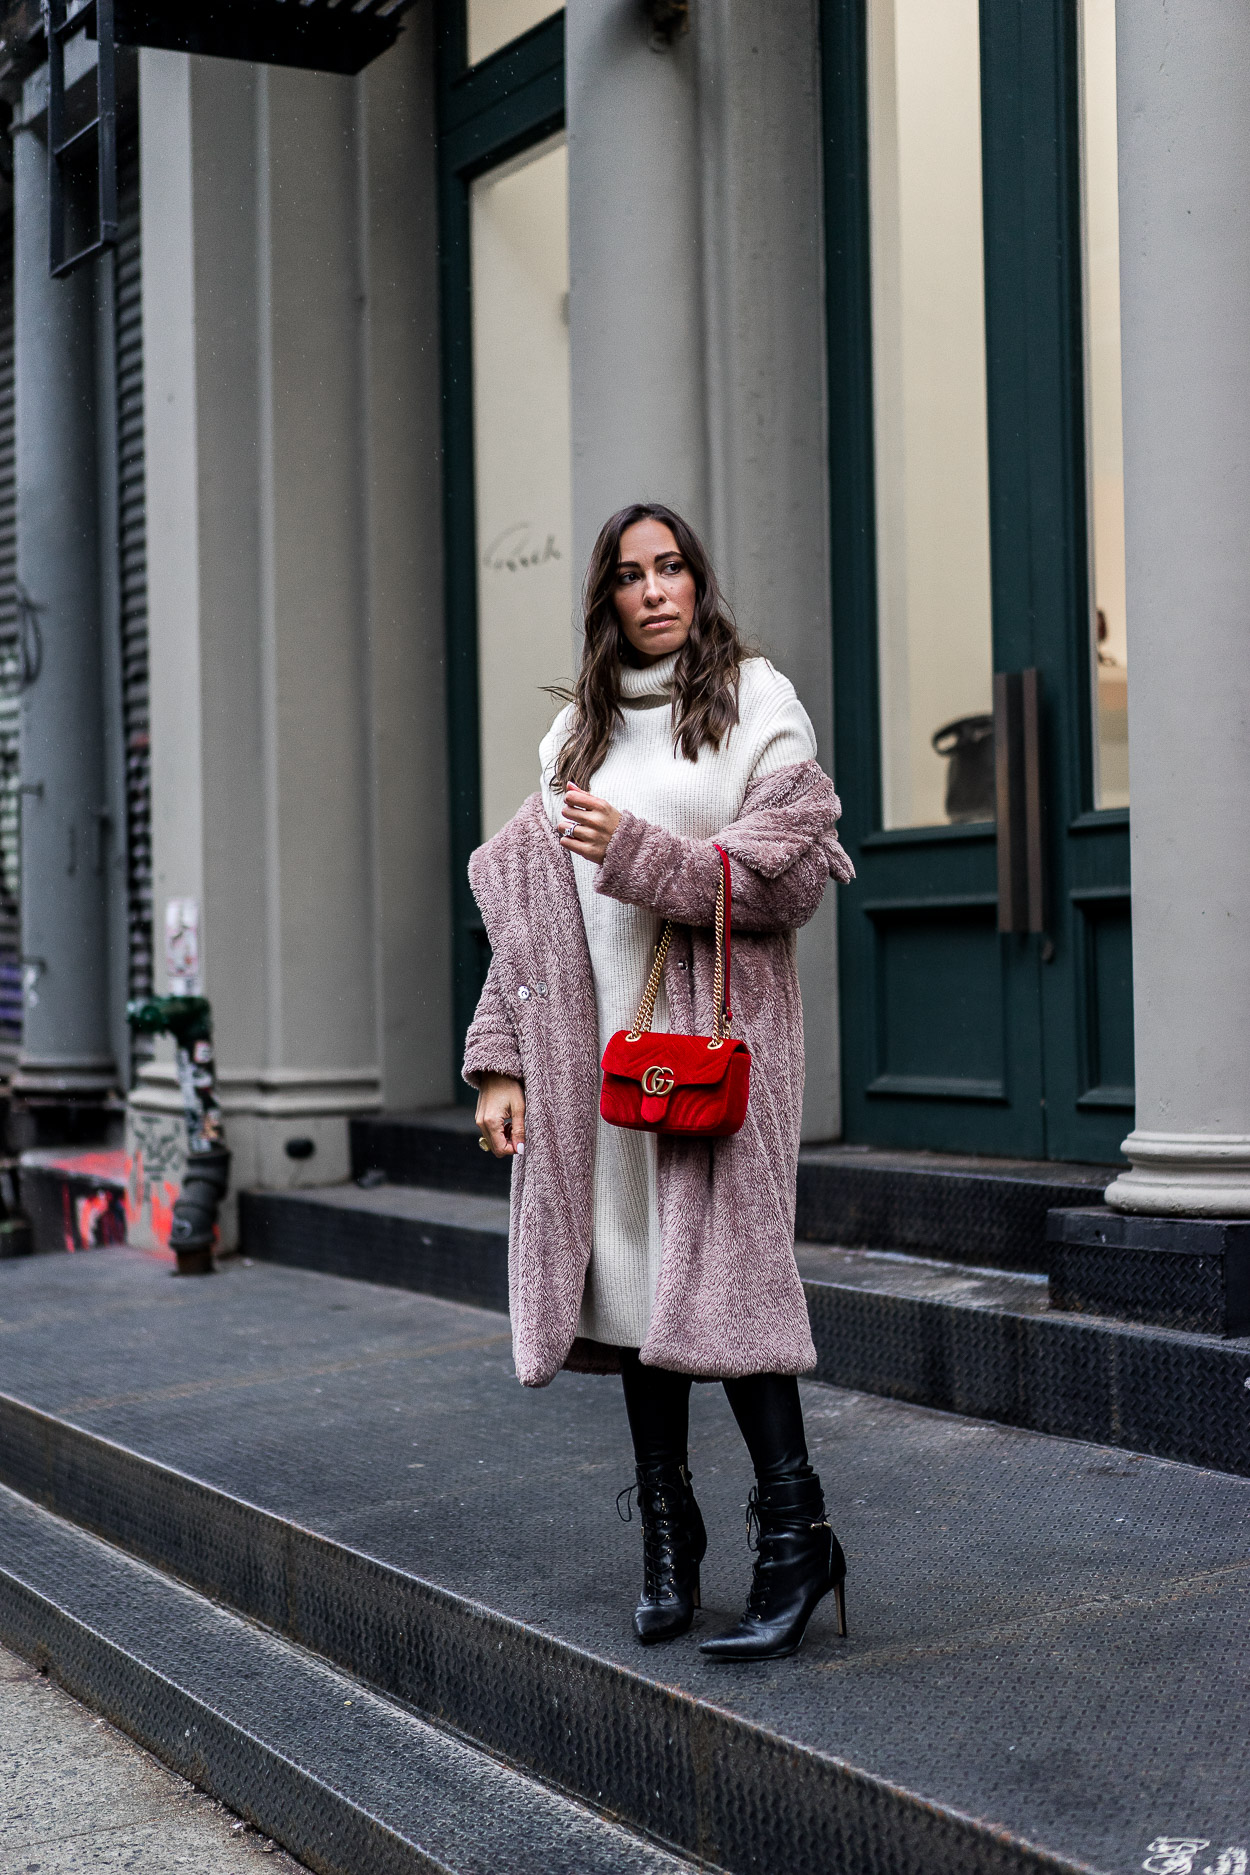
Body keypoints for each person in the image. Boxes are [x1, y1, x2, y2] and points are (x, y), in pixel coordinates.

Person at [465, 502, 854, 1661]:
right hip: (596, 1061)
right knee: (632, 1296)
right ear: (604, 598)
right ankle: (668, 1532)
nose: (653, 589)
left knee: (728, 1290)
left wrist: (639, 854)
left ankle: (796, 1541)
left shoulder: (751, 702)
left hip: (715, 1050)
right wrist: (497, 1060)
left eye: (670, 566)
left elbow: (788, 880)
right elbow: (532, 923)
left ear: (697, 579)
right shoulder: (571, 740)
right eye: (630, 574)